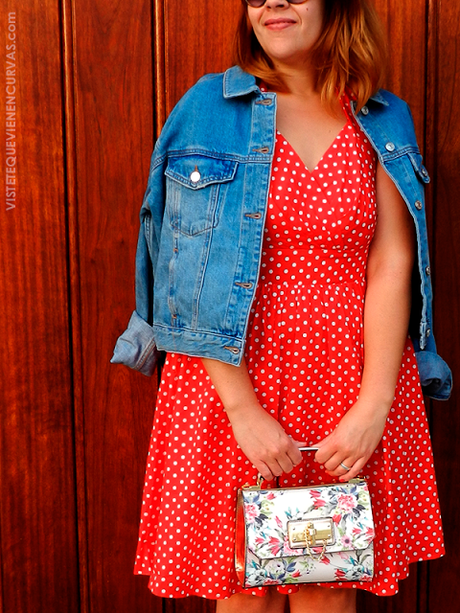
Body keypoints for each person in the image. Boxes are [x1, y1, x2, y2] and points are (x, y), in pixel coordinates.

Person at [111, 0, 452, 611]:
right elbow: (182, 272)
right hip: (230, 382)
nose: (271, 1)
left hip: (350, 379)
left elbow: (392, 262)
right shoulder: (208, 111)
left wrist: (375, 405)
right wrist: (242, 409)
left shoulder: (383, 117)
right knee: (248, 594)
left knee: (329, 586)